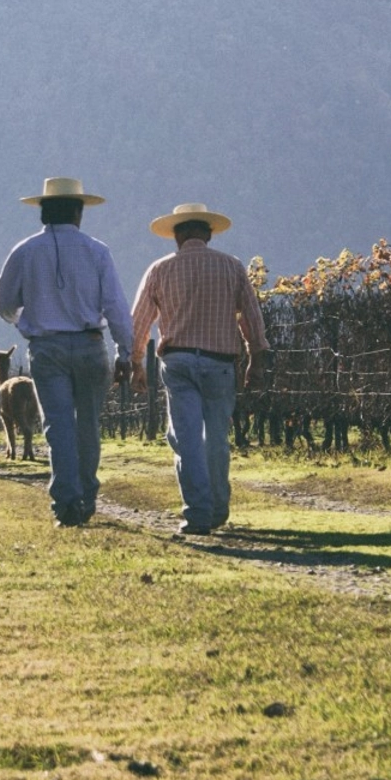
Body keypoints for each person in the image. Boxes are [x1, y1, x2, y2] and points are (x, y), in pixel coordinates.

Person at [0, 177, 133, 527]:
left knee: (58, 426)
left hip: (47, 348)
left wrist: (26, 320)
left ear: (44, 212)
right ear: (77, 212)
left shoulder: (25, 251)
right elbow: (116, 306)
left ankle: (67, 503)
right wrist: (125, 353)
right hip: (90, 345)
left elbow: (3, 303)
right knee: (87, 425)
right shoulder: (97, 251)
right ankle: (87, 496)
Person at [130, 203, 269, 535]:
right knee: (216, 438)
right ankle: (218, 507)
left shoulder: (160, 269)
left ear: (177, 236)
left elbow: (138, 323)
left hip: (178, 362)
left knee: (187, 438)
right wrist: (256, 356)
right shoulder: (231, 267)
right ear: (208, 234)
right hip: (220, 363)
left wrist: (135, 362)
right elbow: (251, 317)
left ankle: (197, 513)